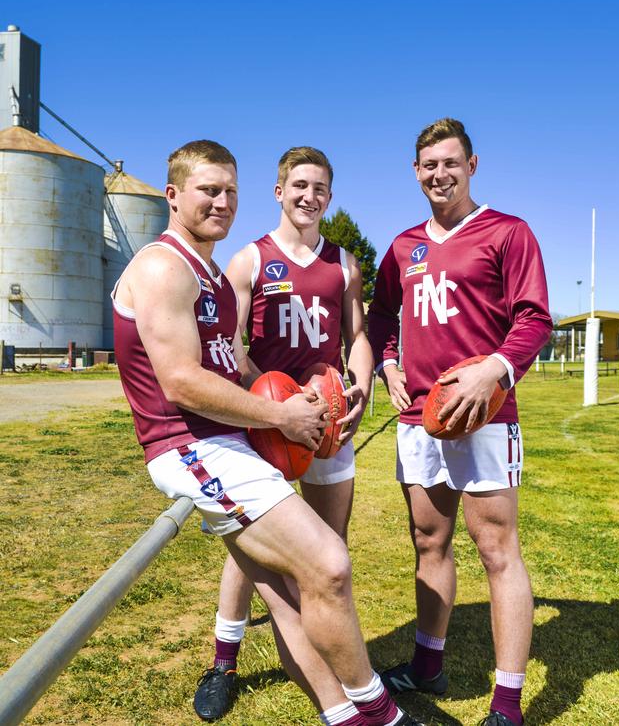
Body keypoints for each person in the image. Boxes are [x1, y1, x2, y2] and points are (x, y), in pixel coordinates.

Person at [112, 140, 421, 726]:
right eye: (209, 190)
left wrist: (318, 397)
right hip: (196, 444)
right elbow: (180, 382)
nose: (222, 202)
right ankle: (380, 713)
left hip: (252, 430)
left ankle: (345, 714)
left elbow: (235, 364)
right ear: (172, 195)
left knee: (293, 588)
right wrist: (283, 416)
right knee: (327, 563)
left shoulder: (213, 274)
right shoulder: (163, 265)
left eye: (230, 190)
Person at [368, 118, 552, 726]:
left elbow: (534, 320)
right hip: (420, 416)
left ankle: (507, 705)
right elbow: (380, 319)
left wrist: (492, 371)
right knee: (428, 542)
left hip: (485, 414)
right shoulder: (401, 247)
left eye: (450, 162)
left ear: (473, 165)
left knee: (497, 550)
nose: (439, 174)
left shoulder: (508, 232)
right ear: (415, 172)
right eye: (428, 165)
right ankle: (428, 668)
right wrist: (388, 363)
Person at [194, 145, 374, 722]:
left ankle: (320, 652)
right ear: (279, 191)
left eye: (319, 187)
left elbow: (359, 335)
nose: (308, 196)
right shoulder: (249, 259)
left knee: (327, 550)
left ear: (329, 195)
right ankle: (224, 661)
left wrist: (362, 383)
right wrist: (273, 400)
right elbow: (231, 344)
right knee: (252, 552)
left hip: (327, 420)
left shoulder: (344, 264)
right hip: (269, 419)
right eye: (299, 185)